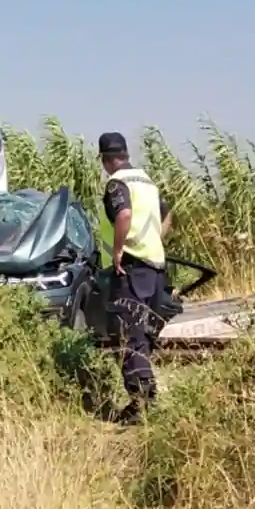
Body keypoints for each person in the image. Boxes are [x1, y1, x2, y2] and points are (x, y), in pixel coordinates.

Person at [96, 132, 171, 426]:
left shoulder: (118, 184)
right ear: (126, 154)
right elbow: (168, 216)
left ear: (105, 159)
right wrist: (154, 239)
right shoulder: (147, 182)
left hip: (130, 267)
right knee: (143, 335)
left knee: (129, 335)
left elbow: (124, 214)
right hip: (154, 268)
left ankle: (143, 406)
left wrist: (117, 251)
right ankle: (144, 401)